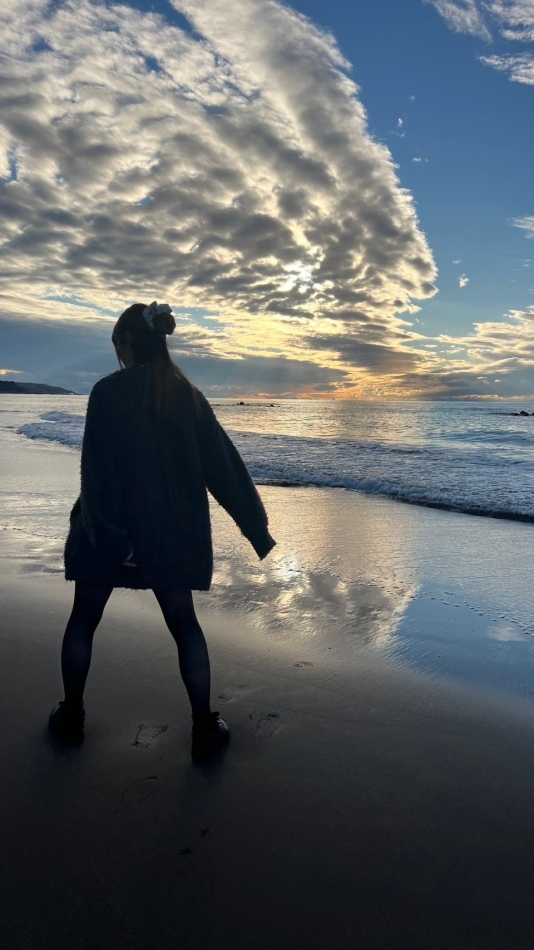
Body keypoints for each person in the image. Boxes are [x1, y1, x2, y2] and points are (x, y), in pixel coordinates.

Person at [49, 301, 276, 762]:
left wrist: (109, 537)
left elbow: (97, 473)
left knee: (83, 620)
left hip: (108, 532)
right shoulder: (186, 395)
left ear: (127, 341)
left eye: (117, 345)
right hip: (171, 537)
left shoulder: (107, 392)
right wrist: (256, 528)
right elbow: (225, 468)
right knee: (184, 624)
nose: (117, 354)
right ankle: (204, 728)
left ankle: (71, 716)